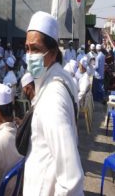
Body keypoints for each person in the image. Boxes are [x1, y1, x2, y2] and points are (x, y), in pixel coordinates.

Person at [23, 11, 84, 195]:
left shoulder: (52, 99)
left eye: (36, 49)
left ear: (53, 52)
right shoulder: (61, 78)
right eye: (27, 48)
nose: (30, 55)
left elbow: (71, 181)